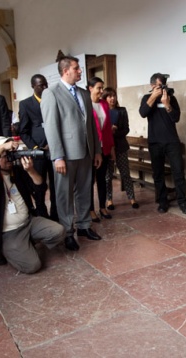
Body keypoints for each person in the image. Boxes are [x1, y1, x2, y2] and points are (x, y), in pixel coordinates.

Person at [0, 137, 65, 273]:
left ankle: (25, 244)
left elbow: (40, 188)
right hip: (8, 232)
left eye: (10, 155)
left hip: (28, 222)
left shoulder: (17, 172)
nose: (9, 159)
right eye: (5, 156)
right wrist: (1, 148)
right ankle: (0, 247)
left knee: (59, 231)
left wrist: (31, 171)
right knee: (32, 266)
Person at [40, 56, 103, 251]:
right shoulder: (51, 93)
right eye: (77, 68)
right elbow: (51, 127)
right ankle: (68, 231)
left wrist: (97, 151)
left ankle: (84, 226)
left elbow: (91, 124)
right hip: (65, 155)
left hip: (86, 151)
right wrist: (57, 156)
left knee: (85, 190)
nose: (80, 72)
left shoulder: (84, 94)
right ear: (66, 70)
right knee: (64, 195)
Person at [139, 73, 186, 214]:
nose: (162, 88)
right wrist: (153, 97)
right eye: (159, 86)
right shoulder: (146, 98)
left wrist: (167, 104)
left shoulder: (171, 98)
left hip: (171, 141)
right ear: (152, 86)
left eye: (163, 85)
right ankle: (162, 202)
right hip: (155, 142)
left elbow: (176, 118)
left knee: (178, 173)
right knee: (158, 174)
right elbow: (143, 113)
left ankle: (182, 202)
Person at [18, 74, 58, 221]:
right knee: (39, 185)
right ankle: (42, 214)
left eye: (45, 84)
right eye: (41, 85)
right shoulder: (26, 104)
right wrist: (36, 148)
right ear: (33, 86)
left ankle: (56, 214)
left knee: (55, 185)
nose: (44, 87)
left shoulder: (53, 101)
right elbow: (23, 131)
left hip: (54, 151)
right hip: (38, 152)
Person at [103, 87, 139, 210]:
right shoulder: (102, 111)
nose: (112, 98)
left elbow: (126, 129)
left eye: (114, 95)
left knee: (125, 173)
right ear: (105, 98)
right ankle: (109, 199)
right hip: (107, 148)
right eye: (109, 96)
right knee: (108, 176)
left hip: (121, 147)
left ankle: (132, 198)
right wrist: (108, 132)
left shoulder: (122, 110)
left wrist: (115, 131)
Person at [87, 78, 114, 221]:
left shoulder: (104, 104)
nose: (101, 91)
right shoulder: (86, 105)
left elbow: (108, 129)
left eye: (102, 88)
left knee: (102, 179)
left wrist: (111, 148)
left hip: (104, 148)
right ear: (90, 88)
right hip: (91, 150)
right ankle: (91, 210)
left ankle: (102, 207)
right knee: (90, 181)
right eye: (98, 88)